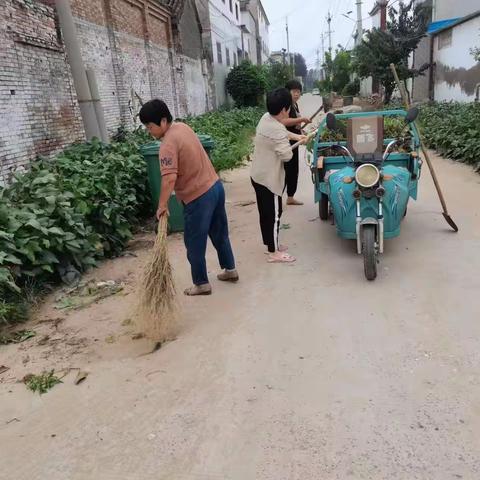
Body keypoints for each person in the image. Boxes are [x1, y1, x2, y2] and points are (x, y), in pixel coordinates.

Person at [139, 99, 238, 296]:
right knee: (220, 234)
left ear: (163, 121)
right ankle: (230, 269)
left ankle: (201, 283)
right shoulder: (183, 127)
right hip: (215, 187)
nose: (149, 131)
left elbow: (168, 178)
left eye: (150, 126)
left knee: (193, 241)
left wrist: (162, 206)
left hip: (198, 197)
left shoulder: (167, 144)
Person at [250, 88, 307, 264]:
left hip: (257, 175)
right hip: (269, 180)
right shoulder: (277, 129)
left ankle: (270, 243)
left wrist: (298, 137)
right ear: (283, 110)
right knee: (275, 214)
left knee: (264, 213)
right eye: (289, 107)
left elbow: (282, 132)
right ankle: (274, 253)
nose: (289, 110)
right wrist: (292, 144)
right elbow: (286, 156)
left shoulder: (266, 118)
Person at [281, 80, 311, 206]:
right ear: (288, 92)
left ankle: (290, 197)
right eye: (294, 91)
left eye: (298, 92)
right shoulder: (286, 105)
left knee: (293, 170)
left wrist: (301, 130)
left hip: (294, 141)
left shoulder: (295, 105)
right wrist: (302, 119)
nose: (296, 94)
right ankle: (278, 196)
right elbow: (284, 121)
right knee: (286, 170)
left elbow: (294, 124)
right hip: (286, 142)